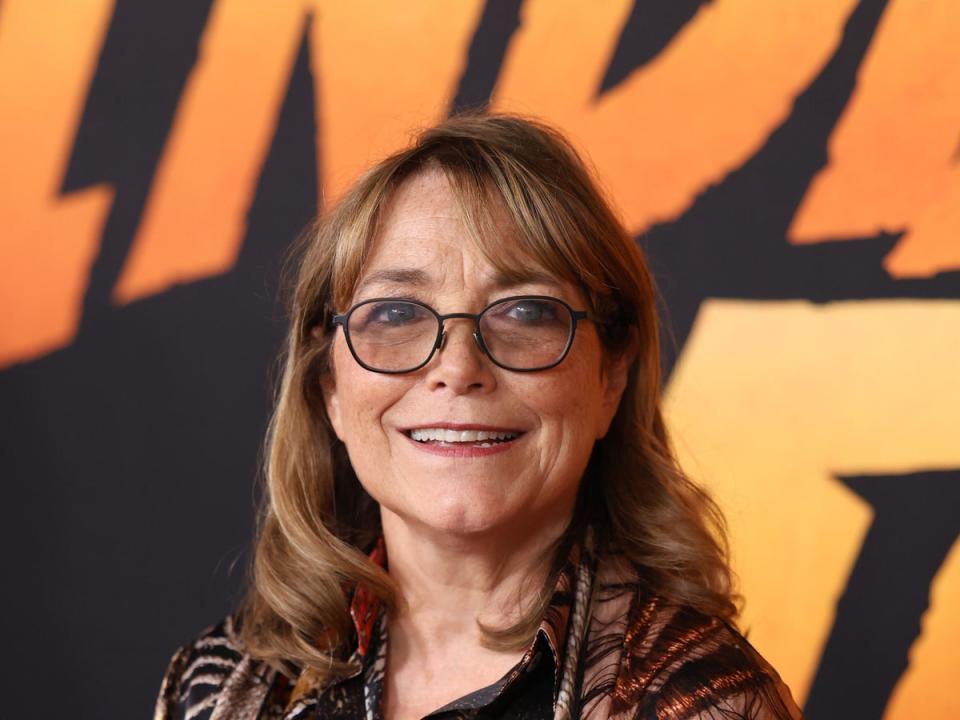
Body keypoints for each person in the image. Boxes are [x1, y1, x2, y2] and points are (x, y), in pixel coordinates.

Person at [155, 114, 803, 720]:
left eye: (524, 312)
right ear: (330, 385)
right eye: (397, 313)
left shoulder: (701, 701)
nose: (458, 367)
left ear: (611, 374)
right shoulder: (222, 686)